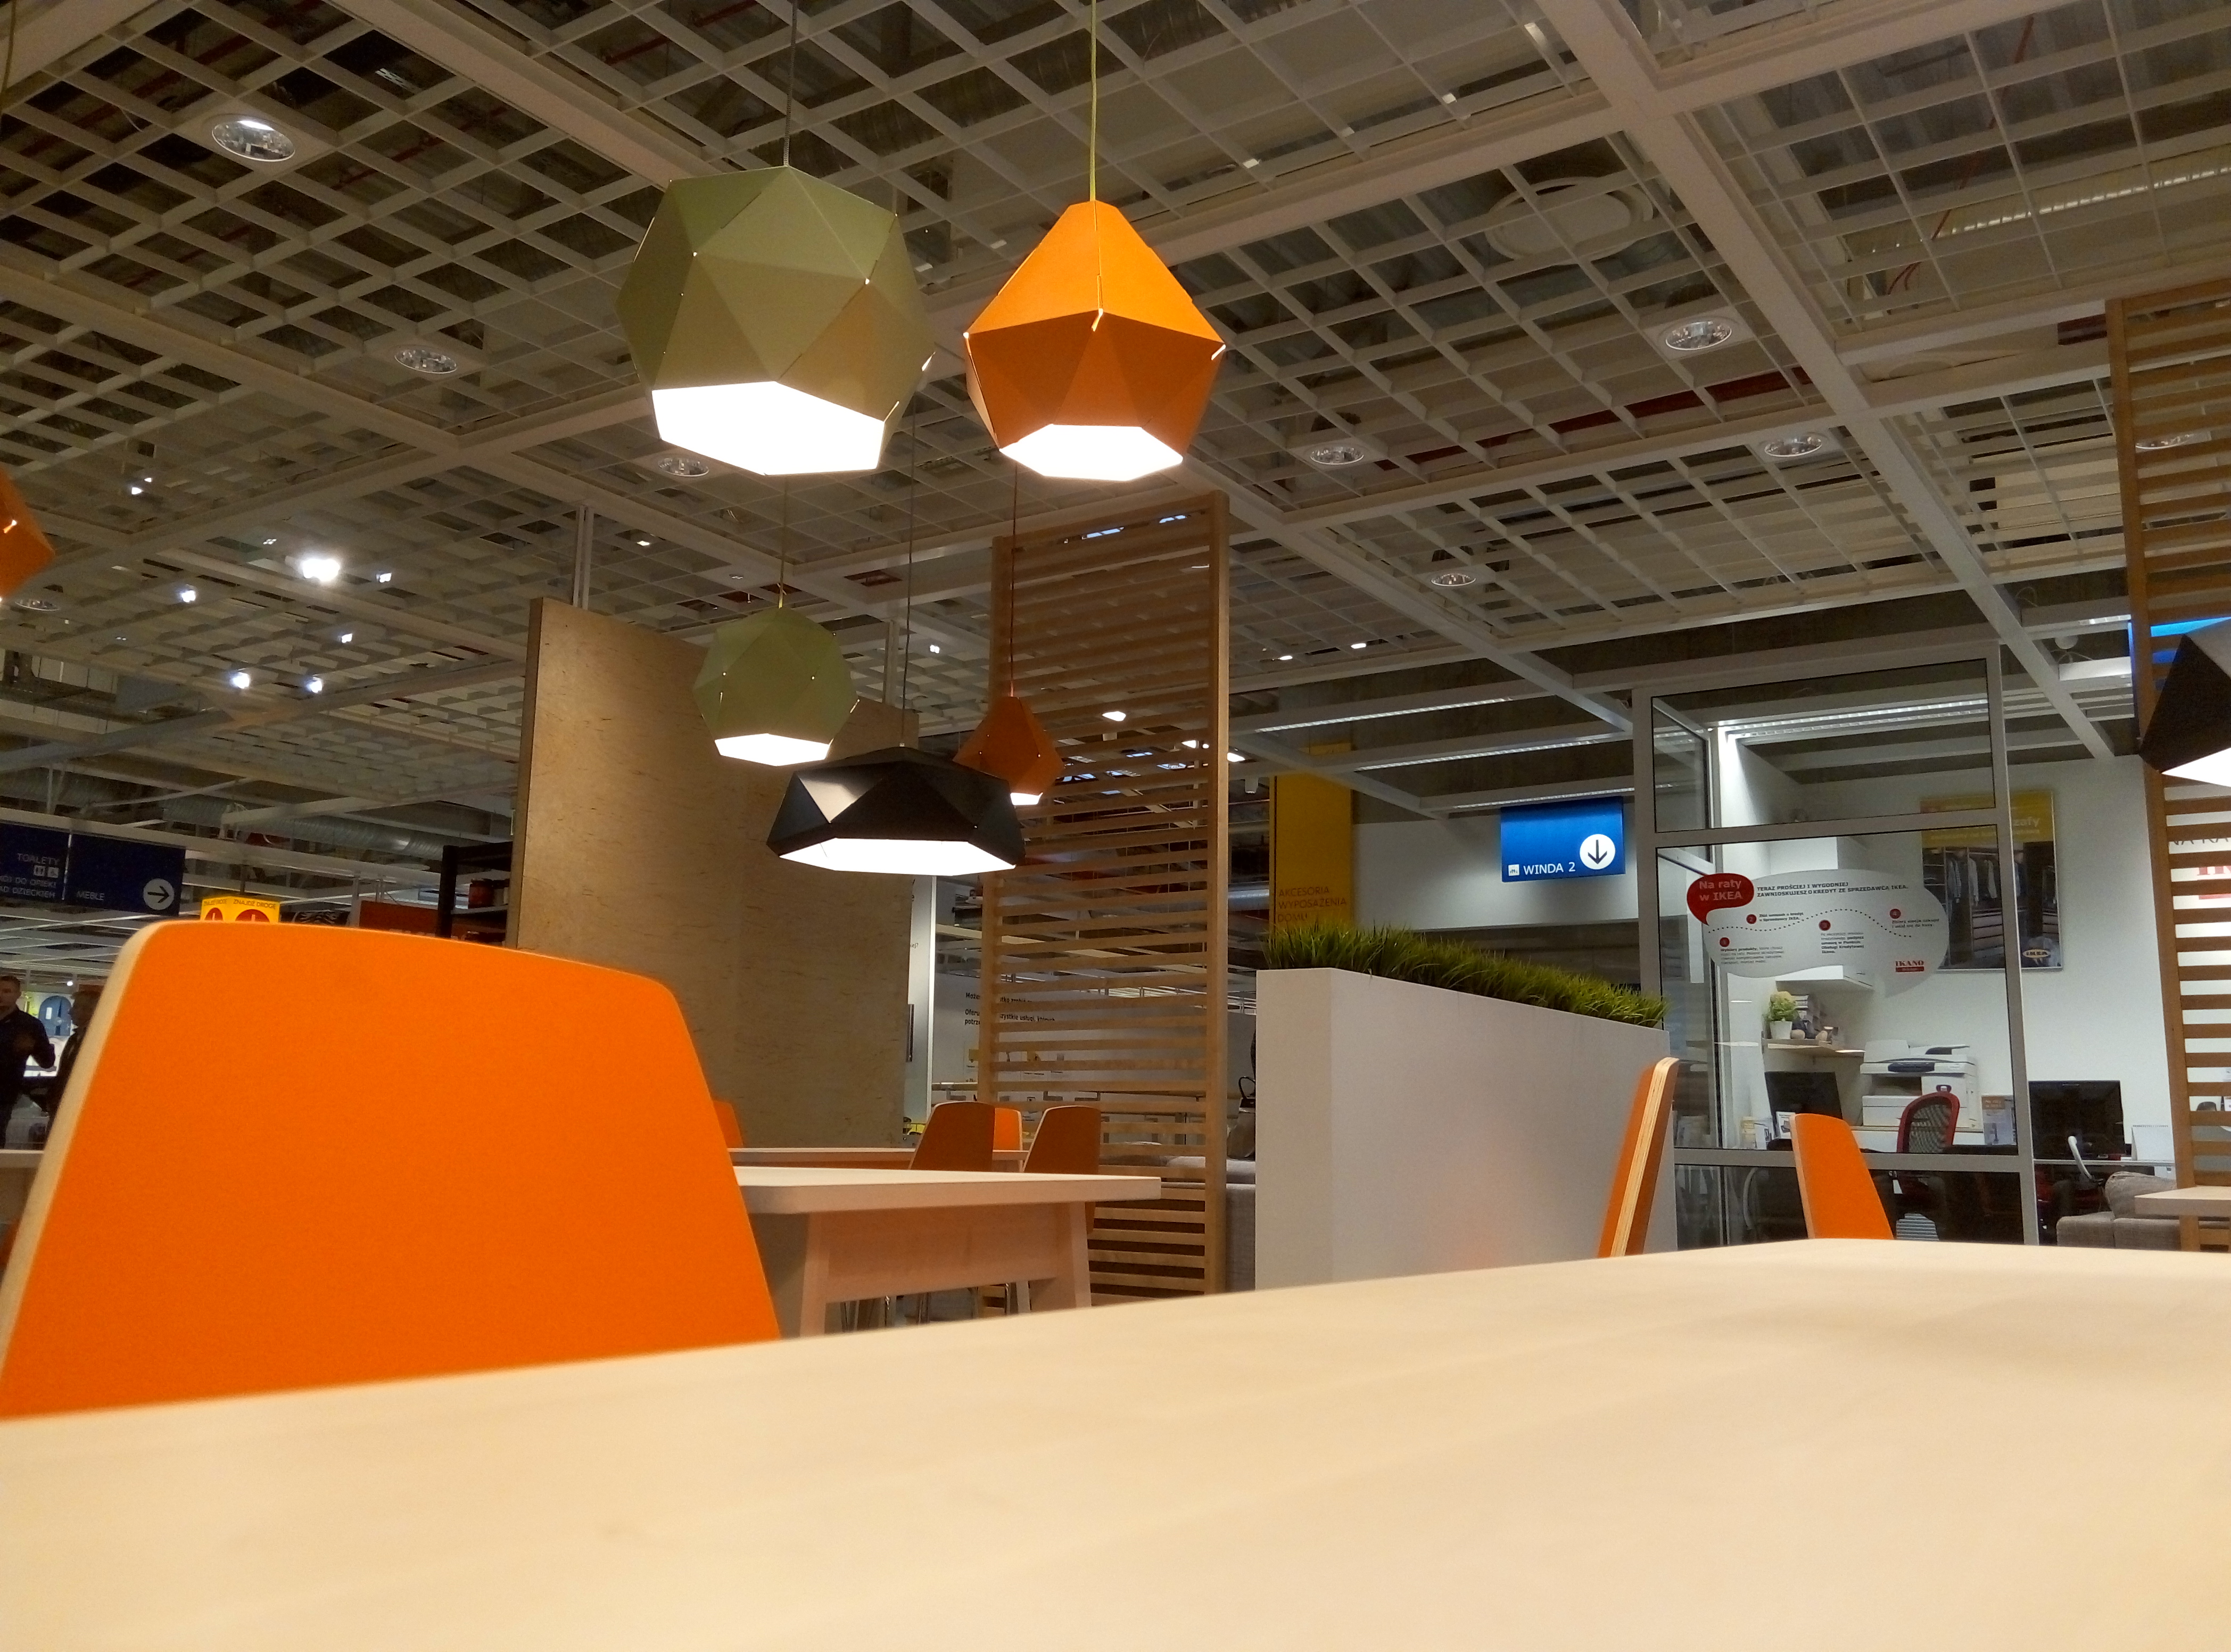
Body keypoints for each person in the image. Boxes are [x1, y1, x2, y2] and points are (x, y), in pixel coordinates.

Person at [0, 974, 54, 1141]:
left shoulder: (29, 1025)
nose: (1, 995)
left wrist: (33, 1047)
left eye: (7, 991)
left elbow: (47, 1062)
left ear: (18, 995)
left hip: (4, 1095)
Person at [42, 981, 102, 1129]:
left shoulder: (96, 1040)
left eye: (76, 1007)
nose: (70, 1012)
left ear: (90, 1011)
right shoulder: (75, 1038)